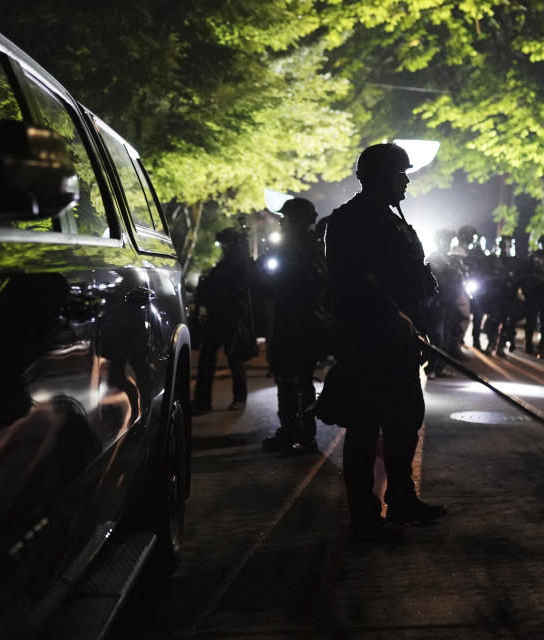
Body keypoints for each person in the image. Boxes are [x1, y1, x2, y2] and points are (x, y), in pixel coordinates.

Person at [315, 142, 447, 543]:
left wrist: (415, 324)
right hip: (368, 342)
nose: (406, 181)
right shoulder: (349, 222)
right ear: (380, 177)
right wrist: (394, 317)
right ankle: (365, 515)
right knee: (365, 427)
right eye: (400, 174)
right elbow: (356, 281)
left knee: (404, 423)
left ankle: (403, 500)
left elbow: (408, 278)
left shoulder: (392, 220)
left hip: (400, 342)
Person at [257, 198, 331, 454]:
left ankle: (305, 435)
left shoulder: (310, 248)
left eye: (287, 218)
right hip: (284, 320)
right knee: (284, 378)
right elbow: (264, 277)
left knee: (299, 380)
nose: (283, 222)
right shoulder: (286, 247)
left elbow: (317, 283)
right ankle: (288, 430)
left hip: (302, 322)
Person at [191, 226, 256, 413]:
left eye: (226, 243)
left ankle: (239, 398)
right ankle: (202, 401)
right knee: (207, 360)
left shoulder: (240, 265)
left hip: (232, 317)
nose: (224, 247)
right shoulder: (225, 265)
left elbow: (243, 289)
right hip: (217, 317)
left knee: (235, 360)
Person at [424, 228, 463, 376]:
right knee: (438, 338)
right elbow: (438, 282)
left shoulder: (449, 259)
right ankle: (431, 368)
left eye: (449, 241)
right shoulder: (435, 259)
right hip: (438, 304)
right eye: (445, 240)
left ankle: (438, 368)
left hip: (448, 303)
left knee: (447, 338)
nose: (448, 244)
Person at [484, 235, 525, 356]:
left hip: (510, 296)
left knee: (507, 322)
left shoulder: (516, 262)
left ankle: (501, 346)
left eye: (508, 246)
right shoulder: (493, 260)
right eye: (504, 245)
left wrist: (514, 282)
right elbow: (486, 276)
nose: (506, 248)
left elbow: (521, 278)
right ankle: (491, 343)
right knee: (493, 319)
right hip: (496, 295)